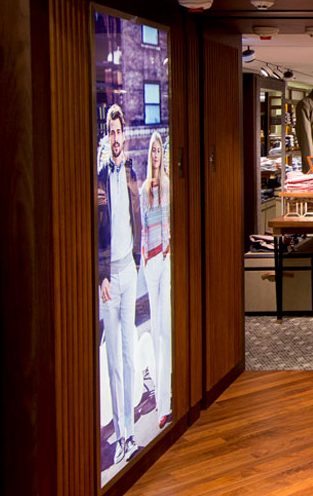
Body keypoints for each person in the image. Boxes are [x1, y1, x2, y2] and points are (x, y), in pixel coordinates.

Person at [97, 104, 142, 464]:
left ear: (124, 134)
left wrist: (138, 259)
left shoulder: (130, 171)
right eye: (111, 132)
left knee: (129, 355)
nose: (116, 137)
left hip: (129, 269)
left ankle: (129, 433)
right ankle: (121, 434)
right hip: (109, 277)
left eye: (119, 131)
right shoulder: (99, 177)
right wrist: (100, 275)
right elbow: (95, 229)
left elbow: (135, 215)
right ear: (107, 135)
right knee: (113, 360)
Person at [139, 130, 172, 431]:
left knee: (165, 330)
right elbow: (142, 229)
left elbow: (170, 223)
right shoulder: (144, 190)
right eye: (153, 150)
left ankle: (165, 401)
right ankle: (164, 400)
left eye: (159, 150)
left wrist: (167, 249)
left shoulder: (168, 186)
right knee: (156, 327)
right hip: (151, 262)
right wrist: (145, 260)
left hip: (165, 257)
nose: (156, 155)